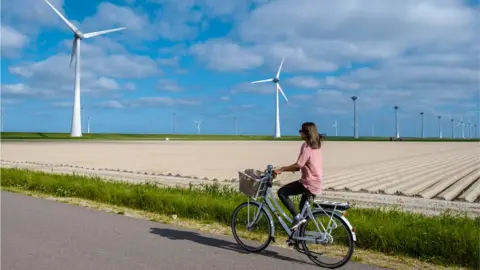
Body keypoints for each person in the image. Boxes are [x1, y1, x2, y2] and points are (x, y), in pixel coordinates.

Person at [274, 122, 324, 230]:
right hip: (317, 183)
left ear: (307, 133)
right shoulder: (317, 145)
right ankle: (298, 239)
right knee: (303, 215)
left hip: (308, 183)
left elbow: (298, 166)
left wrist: (282, 169)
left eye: (301, 131)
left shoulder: (306, 147)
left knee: (282, 192)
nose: (299, 133)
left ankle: (296, 217)